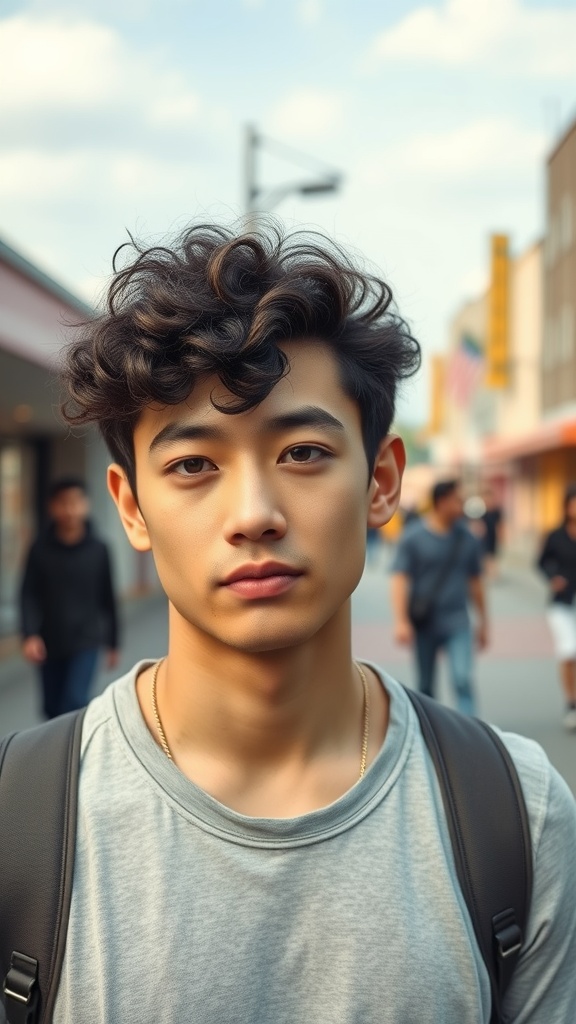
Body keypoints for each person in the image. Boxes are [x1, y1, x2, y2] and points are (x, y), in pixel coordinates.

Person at [5, 224, 574, 1023]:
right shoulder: (21, 819)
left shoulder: (517, 814)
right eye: (193, 465)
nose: (254, 515)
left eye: (303, 452)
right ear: (131, 507)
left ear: (381, 482)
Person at [20, 477, 119, 718]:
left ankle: (72, 754)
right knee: (51, 708)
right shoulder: (40, 548)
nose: (70, 509)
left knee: (74, 700)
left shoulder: (99, 549)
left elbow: (108, 598)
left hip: (86, 640)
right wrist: (30, 634)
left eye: (76, 502)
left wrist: (113, 642)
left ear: (86, 505)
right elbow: (28, 593)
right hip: (49, 639)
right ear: (52, 507)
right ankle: (55, 753)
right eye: (63, 503)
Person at [390, 478, 487, 716]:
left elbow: (475, 582)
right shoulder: (413, 537)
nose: (462, 505)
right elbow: (399, 579)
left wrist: (484, 621)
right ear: (442, 502)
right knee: (425, 685)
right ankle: (430, 733)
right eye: (458, 500)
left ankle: (469, 731)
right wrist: (401, 621)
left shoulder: (467, 539)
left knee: (462, 678)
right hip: (425, 621)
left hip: (458, 620)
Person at [537, 483, 576, 731]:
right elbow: (542, 561)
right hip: (562, 602)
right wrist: (554, 577)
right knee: (569, 650)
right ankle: (571, 704)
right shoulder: (556, 535)